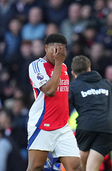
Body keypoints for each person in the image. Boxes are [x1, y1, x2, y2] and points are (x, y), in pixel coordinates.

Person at [27, 33, 82, 171]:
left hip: (62, 126)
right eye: (55, 50)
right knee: (36, 167)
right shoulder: (36, 66)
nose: (59, 54)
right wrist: (58, 63)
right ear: (46, 48)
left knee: (76, 167)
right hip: (42, 124)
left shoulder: (63, 67)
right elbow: (50, 91)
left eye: (62, 50)